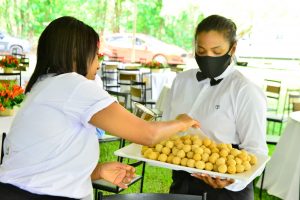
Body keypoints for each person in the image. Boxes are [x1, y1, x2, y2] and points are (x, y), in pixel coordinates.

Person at [0, 16, 199, 200]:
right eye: (96, 55)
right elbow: (147, 134)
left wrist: (97, 171)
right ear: (77, 55)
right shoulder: (72, 85)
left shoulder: (44, 86)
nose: (98, 62)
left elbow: (48, 159)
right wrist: (182, 122)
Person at [163, 15, 268, 200]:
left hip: (226, 190)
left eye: (216, 51)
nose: (208, 57)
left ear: (232, 48)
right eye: (201, 50)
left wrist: (232, 180)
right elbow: (165, 127)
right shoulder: (181, 81)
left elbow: (256, 151)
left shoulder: (245, 91)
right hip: (181, 183)